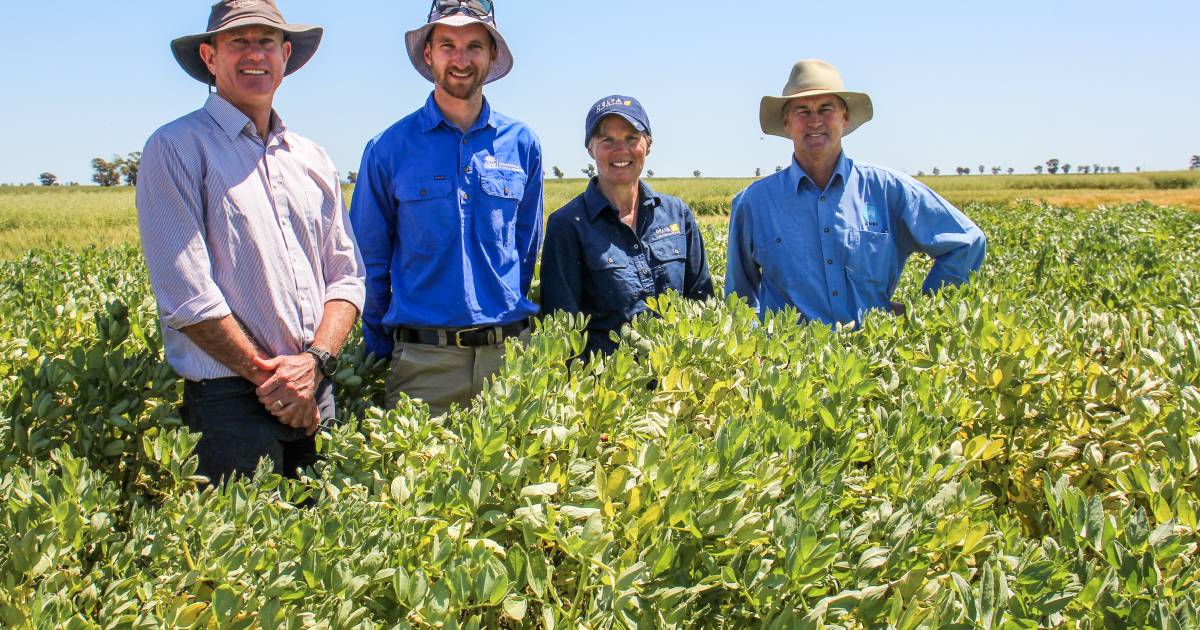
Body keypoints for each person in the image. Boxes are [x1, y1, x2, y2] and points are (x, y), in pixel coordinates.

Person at [136, 0, 365, 482]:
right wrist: (271, 380)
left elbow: (346, 278)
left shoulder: (312, 158)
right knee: (243, 550)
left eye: (265, 41)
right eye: (237, 41)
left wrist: (314, 364)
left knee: (333, 550)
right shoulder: (176, 147)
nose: (254, 54)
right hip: (229, 401)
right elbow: (187, 295)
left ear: (285, 55)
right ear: (209, 56)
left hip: (315, 387)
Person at [350, 0, 543, 416]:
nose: (461, 59)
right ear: (428, 53)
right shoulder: (389, 148)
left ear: (492, 55)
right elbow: (368, 261)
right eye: (447, 45)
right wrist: (383, 350)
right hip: (423, 364)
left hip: (508, 361)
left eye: (474, 46)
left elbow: (526, 250)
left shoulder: (522, 143)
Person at [726, 60, 986, 325]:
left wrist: (923, 314)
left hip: (873, 358)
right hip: (789, 362)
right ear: (786, 121)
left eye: (826, 109)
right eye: (802, 111)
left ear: (845, 118)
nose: (815, 120)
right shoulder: (753, 203)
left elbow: (967, 242)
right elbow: (739, 298)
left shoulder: (888, 190)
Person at [541, 96, 713, 357]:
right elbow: (562, 330)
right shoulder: (567, 224)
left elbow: (702, 302)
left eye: (632, 138)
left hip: (679, 384)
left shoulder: (677, 214)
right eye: (606, 140)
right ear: (590, 149)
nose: (620, 150)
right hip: (607, 389)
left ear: (648, 145)